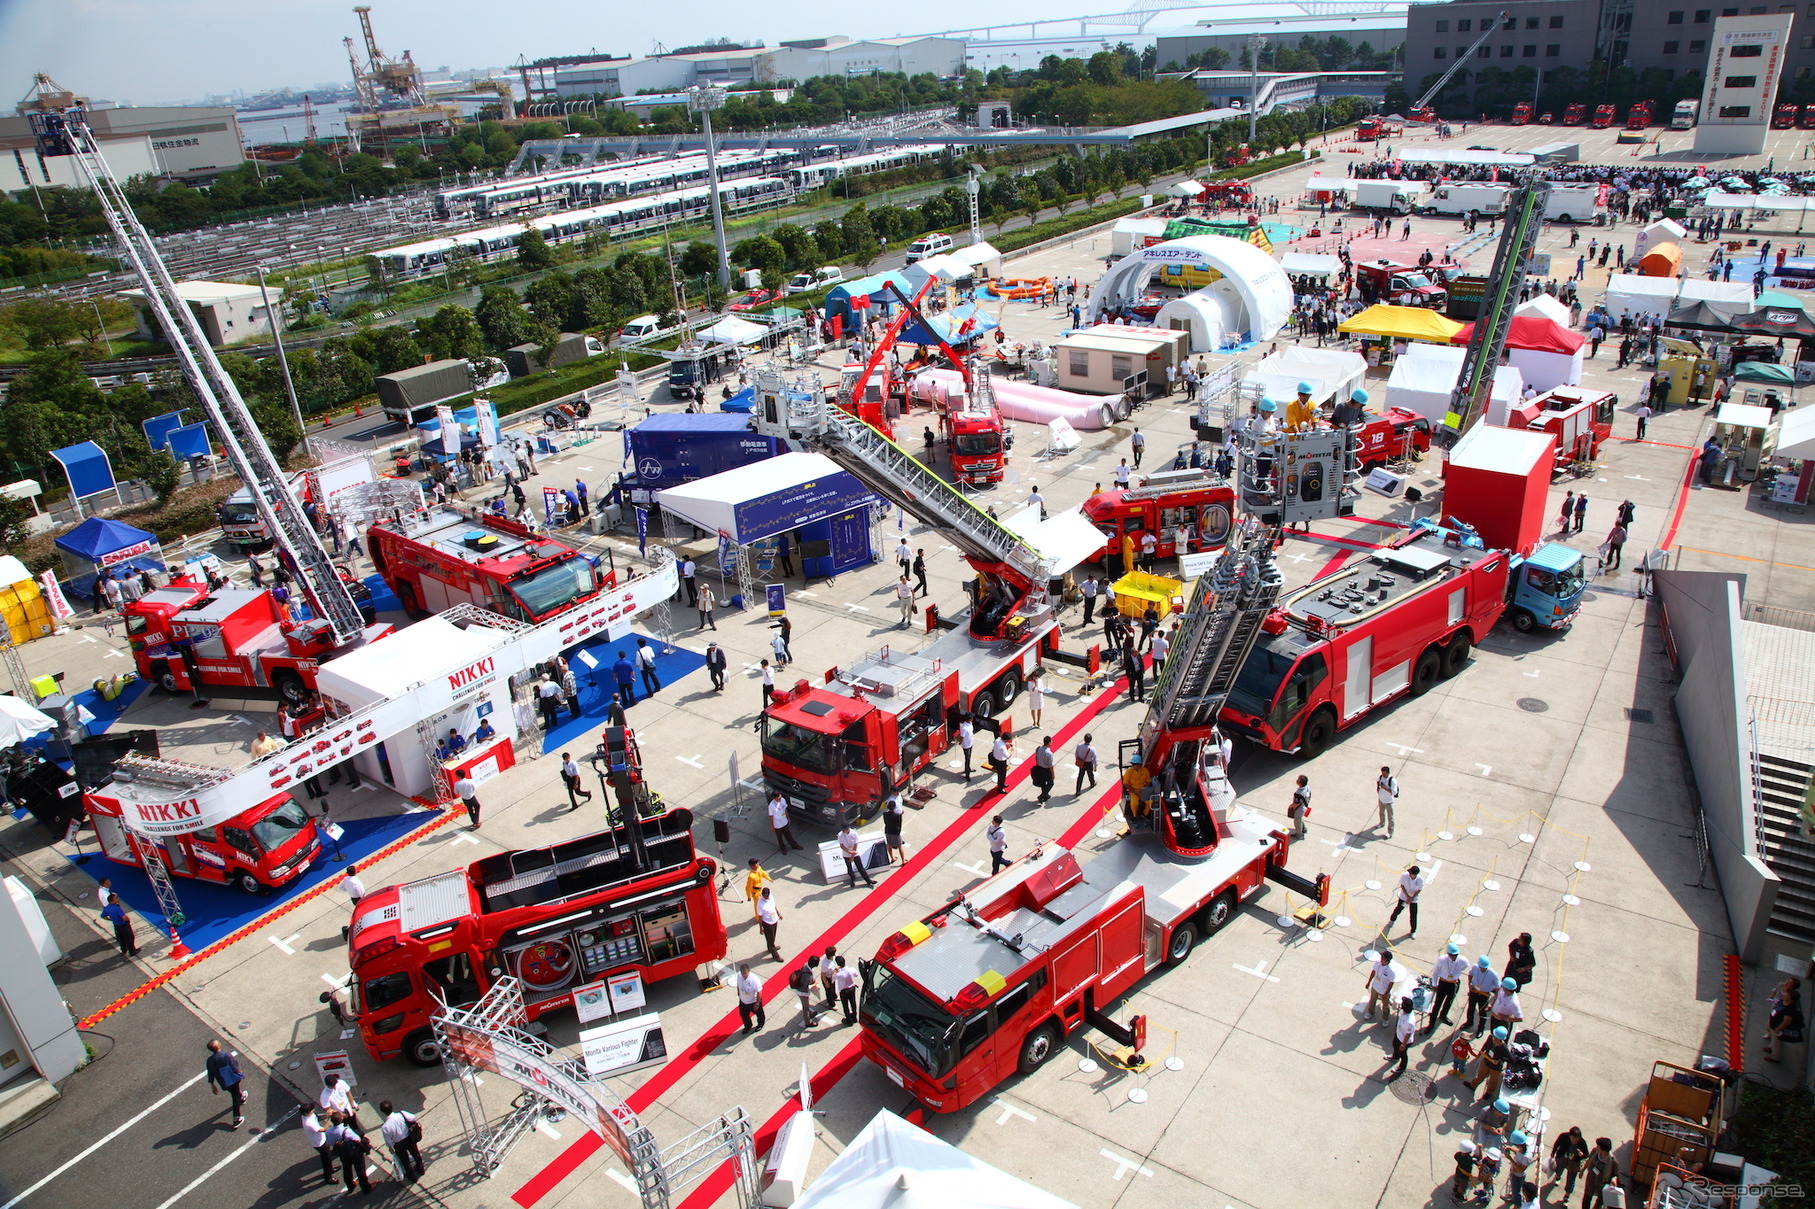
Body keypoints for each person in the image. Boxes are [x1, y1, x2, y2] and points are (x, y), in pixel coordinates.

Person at [326, 1111, 372, 1195]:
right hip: (354, 1152)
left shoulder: (328, 1131)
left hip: (342, 1153)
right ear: (341, 1119)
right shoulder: (346, 1130)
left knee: (347, 1170)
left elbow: (329, 1142)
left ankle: (350, 1185)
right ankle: (366, 1187)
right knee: (360, 1170)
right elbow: (357, 1139)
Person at [379, 1100, 425, 1184]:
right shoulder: (401, 1114)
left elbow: (389, 1142)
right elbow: (413, 1117)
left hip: (398, 1144)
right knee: (416, 1154)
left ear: (382, 1112)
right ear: (392, 1107)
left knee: (405, 1161)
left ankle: (412, 1177)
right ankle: (421, 1169)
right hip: (409, 1138)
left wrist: (390, 1148)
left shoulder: (385, 1127)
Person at [205, 1038, 247, 1130]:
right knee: (235, 1096)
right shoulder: (225, 1055)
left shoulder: (210, 1060)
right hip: (233, 1079)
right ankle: (237, 1118)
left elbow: (210, 1073)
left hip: (223, 1082)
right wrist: (240, 1073)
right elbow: (234, 1066)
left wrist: (212, 1084)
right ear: (217, 1046)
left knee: (234, 1092)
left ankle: (241, 1096)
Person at [1763, 975, 1803, 1062]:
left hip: (1778, 1027)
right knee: (1774, 1040)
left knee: (1777, 1041)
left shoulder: (1789, 1010)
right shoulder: (1784, 1001)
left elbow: (1786, 1022)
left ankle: (1775, 1057)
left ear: (1791, 999)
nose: (1784, 995)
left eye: (1786, 995)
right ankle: (1771, 1047)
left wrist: (1777, 1029)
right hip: (1774, 1024)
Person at [1430, 942, 1467, 1028]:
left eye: (1455, 955)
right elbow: (1435, 973)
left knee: (1449, 1002)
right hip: (1443, 983)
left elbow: (1465, 965)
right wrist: (1434, 984)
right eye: (1451, 954)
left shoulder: (1462, 960)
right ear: (1448, 953)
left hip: (1454, 984)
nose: (1453, 956)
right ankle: (1431, 1023)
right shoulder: (1442, 960)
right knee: (1437, 1003)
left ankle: (1443, 1015)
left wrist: (1456, 974)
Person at [1471, 1028, 1511, 1103]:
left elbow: (1511, 1059)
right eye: (1494, 1036)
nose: (1494, 1039)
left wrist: (1500, 1060)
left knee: (1492, 1081)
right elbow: (1485, 1045)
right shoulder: (1490, 1038)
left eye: (1496, 1038)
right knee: (1480, 1075)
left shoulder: (1503, 1048)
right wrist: (1480, 1053)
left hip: (1495, 1068)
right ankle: (1473, 1085)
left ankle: (1489, 1092)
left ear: (1501, 1039)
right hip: (1486, 1062)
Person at [1549, 1126, 1590, 1197]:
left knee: (1571, 1180)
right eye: (1574, 1138)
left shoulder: (1582, 1142)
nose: (1576, 1140)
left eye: (1578, 1139)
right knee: (1558, 1168)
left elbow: (1586, 1155)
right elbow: (1557, 1143)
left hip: (1574, 1162)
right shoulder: (1563, 1136)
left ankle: (1566, 1196)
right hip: (1563, 1157)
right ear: (1570, 1136)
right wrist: (1553, 1152)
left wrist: (1582, 1155)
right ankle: (1558, 1177)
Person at [302, 1106, 338, 1186]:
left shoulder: (309, 1115)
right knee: (327, 1160)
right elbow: (324, 1129)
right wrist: (329, 1118)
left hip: (322, 1139)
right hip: (319, 1143)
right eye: (310, 1110)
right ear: (305, 1113)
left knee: (327, 1157)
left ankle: (330, 1169)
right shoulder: (308, 1123)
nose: (313, 1110)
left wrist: (326, 1114)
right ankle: (328, 1178)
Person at [1387, 864, 1423, 938]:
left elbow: (1419, 890)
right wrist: (1407, 897)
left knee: (1413, 915)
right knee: (1398, 910)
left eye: (1411, 874)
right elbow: (1402, 886)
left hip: (1413, 899)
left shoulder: (1420, 880)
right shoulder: (1405, 875)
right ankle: (1392, 920)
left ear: (1415, 874)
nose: (1409, 874)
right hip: (1404, 896)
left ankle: (1413, 931)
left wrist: (1411, 898)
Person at [1583, 1138, 1619, 1209]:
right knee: (1587, 1198)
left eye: (1598, 1146)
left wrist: (1614, 1179)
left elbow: (1615, 1174)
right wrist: (1582, 1170)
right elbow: (1589, 1160)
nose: (1596, 1147)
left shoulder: (1612, 1161)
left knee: (1600, 1202)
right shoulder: (1595, 1152)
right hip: (1591, 1179)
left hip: (1602, 1183)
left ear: (1603, 1149)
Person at [1387, 995, 1417, 1078]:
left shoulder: (1410, 1021)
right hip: (1398, 1035)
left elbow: (1408, 1033)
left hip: (1404, 1040)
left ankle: (1402, 1067)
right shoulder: (1404, 1012)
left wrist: (1403, 1044)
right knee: (1395, 1045)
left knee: (1403, 1054)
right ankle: (1395, 1057)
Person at [734, 963, 764, 1034]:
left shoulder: (754, 980)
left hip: (753, 1001)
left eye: (746, 974)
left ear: (749, 971)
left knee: (759, 1014)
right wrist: (738, 992)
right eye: (743, 973)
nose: (744, 975)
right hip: (743, 1001)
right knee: (743, 1014)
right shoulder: (739, 975)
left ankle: (760, 1024)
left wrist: (757, 1004)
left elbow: (759, 992)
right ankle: (748, 1026)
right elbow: (738, 984)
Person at [755, 887, 784, 959]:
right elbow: (760, 916)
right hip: (767, 924)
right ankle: (776, 956)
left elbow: (774, 906)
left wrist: (779, 914)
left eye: (767, 895)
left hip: (774, 920)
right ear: (762, 895)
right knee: (770, 939)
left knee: (772, 937)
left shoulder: (770, 897)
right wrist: (761, 928)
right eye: (765, 895)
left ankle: (771, 948)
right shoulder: (760, 904)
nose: (766, 897)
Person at [789, 960, 819, 1028]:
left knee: (806, 1005)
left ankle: (810, 1013)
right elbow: (807, 987)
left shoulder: (805, 965)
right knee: (805, 1007)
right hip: (802, 992)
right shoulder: (808, 977)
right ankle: (808, 1022)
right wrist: (815, 983)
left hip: (799, 989)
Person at [832, 956, 860, 1024]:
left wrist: (835, 970)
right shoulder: (851, 969)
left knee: (845, 1006)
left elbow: (832, 979)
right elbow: (856, 974)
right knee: (853, 1003)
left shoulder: (839, 974)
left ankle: (849, 1019)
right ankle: (854, 1017)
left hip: (844, 991)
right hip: (852, 988)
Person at [881, 793, 906, 863]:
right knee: (900, 846)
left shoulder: (885, 814)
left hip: (888, 831)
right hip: (895, 832)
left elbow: (885, 822)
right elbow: (899, 824)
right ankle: (903, 860)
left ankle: (892, 858)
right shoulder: (897, 815)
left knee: (890, 845)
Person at [1375, 766, 1399, 837]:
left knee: (1390, 817)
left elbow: (1394, 792)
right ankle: (1382, 823)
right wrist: (1378, 789)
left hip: (1388, 802)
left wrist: (1384, 787)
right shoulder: (1380, 777)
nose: (1383, 775)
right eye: (1382, 773)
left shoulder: (1392, 780)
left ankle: (1390, 832)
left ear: (1388, 773)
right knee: (1381, 813)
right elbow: (1377, 781)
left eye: (1384, 774)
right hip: (1381, 799)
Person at [1288, 774, 1311, 841]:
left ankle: (1299, 835)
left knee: (1297, 822)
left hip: (1299, 809)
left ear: (1300, 783)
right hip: (1305, 806)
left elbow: (1296, 804)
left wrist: (1290, 806)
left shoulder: (1299, 793)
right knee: (1300, 819)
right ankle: (1304, 829)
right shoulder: (1307, 787)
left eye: (1298, 780)